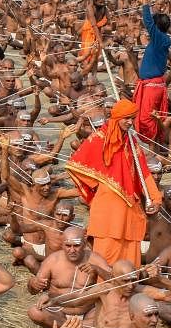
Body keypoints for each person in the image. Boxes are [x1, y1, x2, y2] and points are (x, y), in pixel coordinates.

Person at [66, 99, 161, 266]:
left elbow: (144, 173)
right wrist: (99, 183)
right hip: (107, 204)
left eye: (132, 118)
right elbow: (74, 164)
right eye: (126, 118)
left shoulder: (132, 142)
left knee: (130, 250)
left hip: (129, 204)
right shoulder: (98, 138)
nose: (130, 122)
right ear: (116, 118)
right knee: (106, 253)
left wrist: (155, 198)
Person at [134, 0, 171, 142]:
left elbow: (148, 20)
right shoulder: (162, 38)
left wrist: (145, 2)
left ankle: (152, 148)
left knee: (147, 119)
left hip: (152, 87)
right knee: (149, 117)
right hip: (150, 85)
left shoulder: (159, 38)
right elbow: (151, 20)